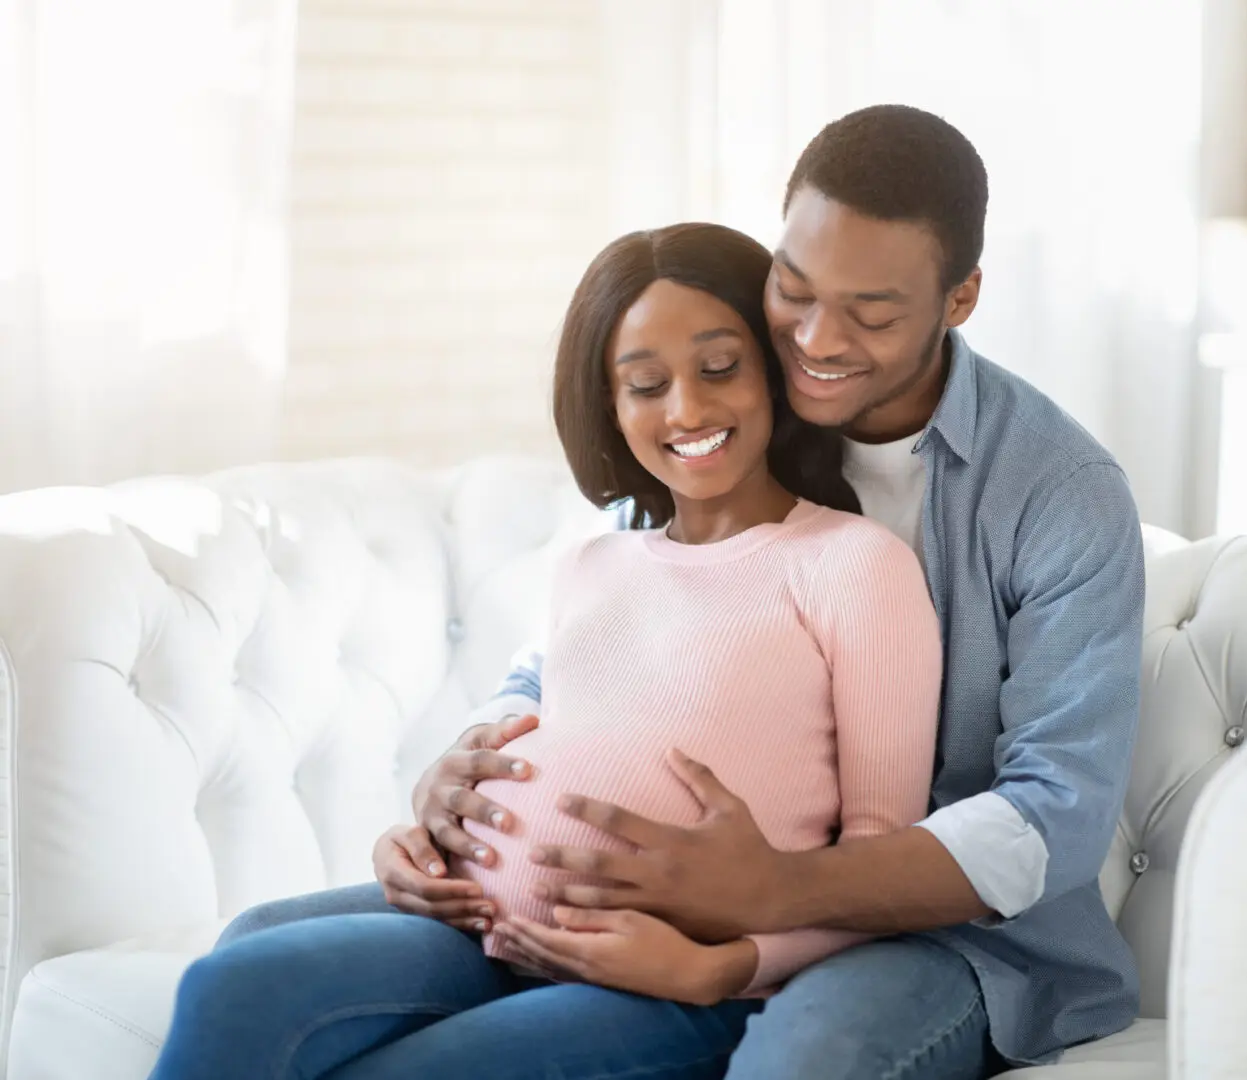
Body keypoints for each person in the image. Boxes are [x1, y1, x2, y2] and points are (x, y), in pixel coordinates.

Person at [225, 104, 1146, 1078]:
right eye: (793, 290)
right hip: (640, 893)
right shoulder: (735, 402)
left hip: (949, 939)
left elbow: (1052, 816)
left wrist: (769, 900)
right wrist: (463, 768)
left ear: (958, 300)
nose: (816, 341)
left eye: (870, 312)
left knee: (800, 1059)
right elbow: (585, 650)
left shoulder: (1056, 495)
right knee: (255, 948)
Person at [149, 223, 943, 1079]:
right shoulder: (592, 561)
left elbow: (880, 867)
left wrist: (723, 966)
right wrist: (416, 840)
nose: (686, 409)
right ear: (609, 404)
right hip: (479, 932)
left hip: (672, 982)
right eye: (645, 384)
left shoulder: (852, 566)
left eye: (719, 368)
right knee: (229, 987)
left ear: (772, 374)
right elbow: (533, 735)